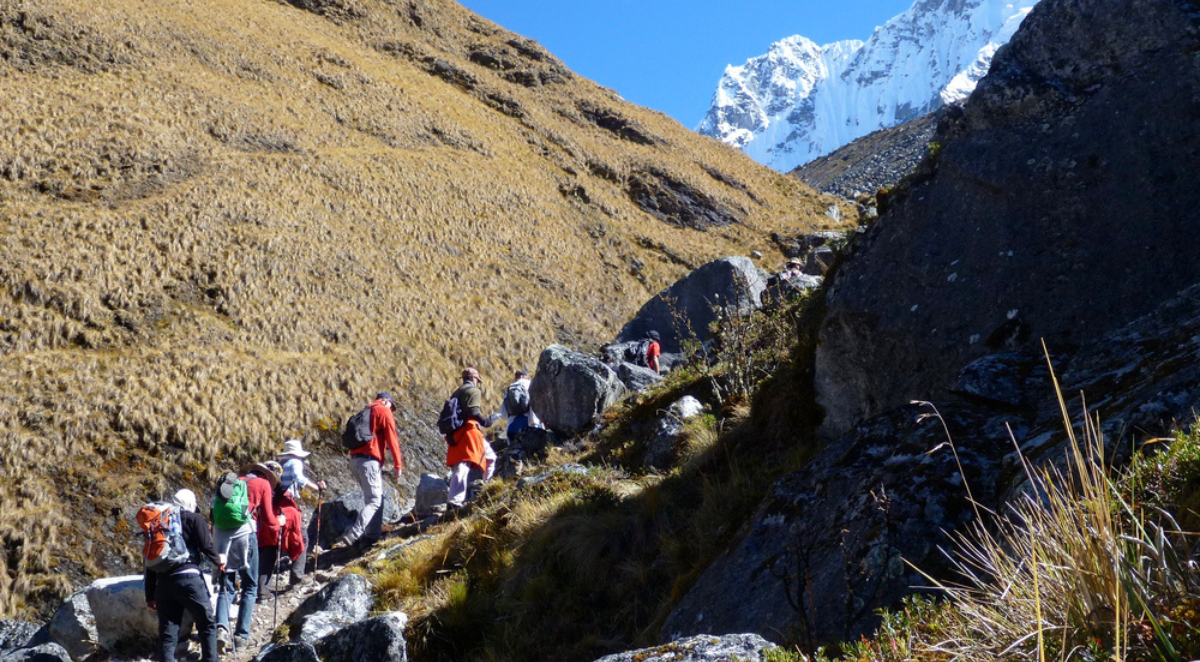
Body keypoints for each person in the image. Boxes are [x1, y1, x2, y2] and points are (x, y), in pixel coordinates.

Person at [145, 489, 221, 662]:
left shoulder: (158, 525)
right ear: (191, 503)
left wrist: (150, 596)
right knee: (207, 624)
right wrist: (220, 562)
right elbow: (206, 547)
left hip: (163, 584)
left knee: (168, 633)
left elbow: (149, 562)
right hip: (189, 580)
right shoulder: (194, 518)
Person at [330, 392, 403, 551]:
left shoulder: (366, 411)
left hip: (356, 461)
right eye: (391, 405)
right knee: (375, 500)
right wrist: (398, 465)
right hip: (369, 461)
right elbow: (392, 439)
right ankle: (354, 535)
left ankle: (372, 536)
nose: (392, 409)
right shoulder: (383, 410)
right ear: (386, 401)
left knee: (376, 499)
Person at [212, 472, 257, 653]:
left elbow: (212, 521)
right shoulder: (243, 492)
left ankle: (221, 628)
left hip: (221, 540)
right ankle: (241, 636)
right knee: (250, 585)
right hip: (245, 536)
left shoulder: (215, 499)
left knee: (226, 585)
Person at [446, 368, 500, 506]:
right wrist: (486, 421)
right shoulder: (474, 391)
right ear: (475, 379)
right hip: (470, 430)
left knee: (469, 462)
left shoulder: (456, 392)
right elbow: (473, 411)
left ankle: (482, 489)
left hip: (457, 432)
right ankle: (456, 501)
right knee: (467, 463)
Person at [278, 439, 326, 585]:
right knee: (302, 538)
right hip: (288, 503)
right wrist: (317, 488)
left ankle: (263, 587)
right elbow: (300, 479)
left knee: (279, 540)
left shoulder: (281, 464)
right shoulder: (295, 462)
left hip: (276, 504)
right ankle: (297, 575)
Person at [239, 462, 282, 601]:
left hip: (224, 530)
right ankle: (261, 593)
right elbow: (268, 517)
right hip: (248, 529)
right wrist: (278, 524)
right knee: (250, 581)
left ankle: (224, 613)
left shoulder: (236, 481)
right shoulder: (263, 484)